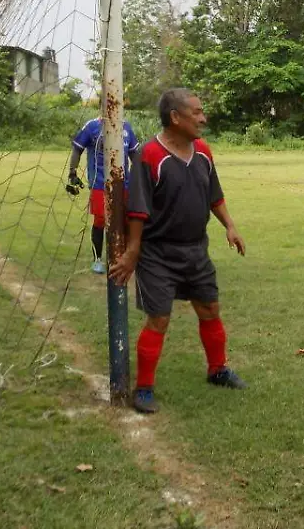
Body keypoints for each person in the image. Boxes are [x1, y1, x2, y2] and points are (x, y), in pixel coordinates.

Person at [110, 88, 248, 415]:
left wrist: (230, 225)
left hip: (196, 250)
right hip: (158, 254)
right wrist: (133, 252)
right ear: (175, 117)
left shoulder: (203, 152)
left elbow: (214, 195)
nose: (203, 118)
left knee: (210, 308)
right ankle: (144, 389)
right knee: (159, 318)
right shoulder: (148, 156)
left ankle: (217, 370)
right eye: (196, 112)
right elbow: (138, 210)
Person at [66, 113, 139, 273]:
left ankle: (124, 257)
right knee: (100, 219)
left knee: (125, 220)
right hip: (99, 183)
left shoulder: (126, 127)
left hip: (123, 184)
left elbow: (135, 154)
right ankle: (97, 259)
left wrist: (140, 176)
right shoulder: (92, 126)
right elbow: (77, 149)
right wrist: (72, 172)